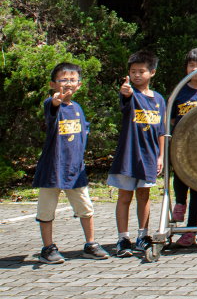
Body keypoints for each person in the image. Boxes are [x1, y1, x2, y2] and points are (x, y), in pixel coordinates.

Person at [34, 62, 110, 263]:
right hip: (52, 170)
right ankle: (48, 248)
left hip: (75, 171)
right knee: (46, 211)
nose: (68, 84)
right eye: (63, 80)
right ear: (53, 84)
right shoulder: (51, 105)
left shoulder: (77, 108)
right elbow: (51, 107)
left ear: (79, 85)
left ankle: (90, 244)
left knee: (86, 208)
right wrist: (55, 101)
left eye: (72, 80)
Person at [109, 50, 166, 258]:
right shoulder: (130, 95)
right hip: (128, 156)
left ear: (152, 72)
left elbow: (162, 130)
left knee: (144, 195)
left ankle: (143, 235)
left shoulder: (159, 99)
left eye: (141, 71)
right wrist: (125, 92)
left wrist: (160, 156)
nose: (136, 75)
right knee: (124, 196)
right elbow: (125, 98)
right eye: (133, 72)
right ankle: (123, 238)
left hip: (149, 157)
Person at [170, 48, 197, 247]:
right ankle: (180, 202)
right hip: (181, 144)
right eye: (191, 65)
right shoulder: (180, 90)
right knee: (179, 176)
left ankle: (191, 230)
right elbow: (170, 119)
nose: (196, 69)